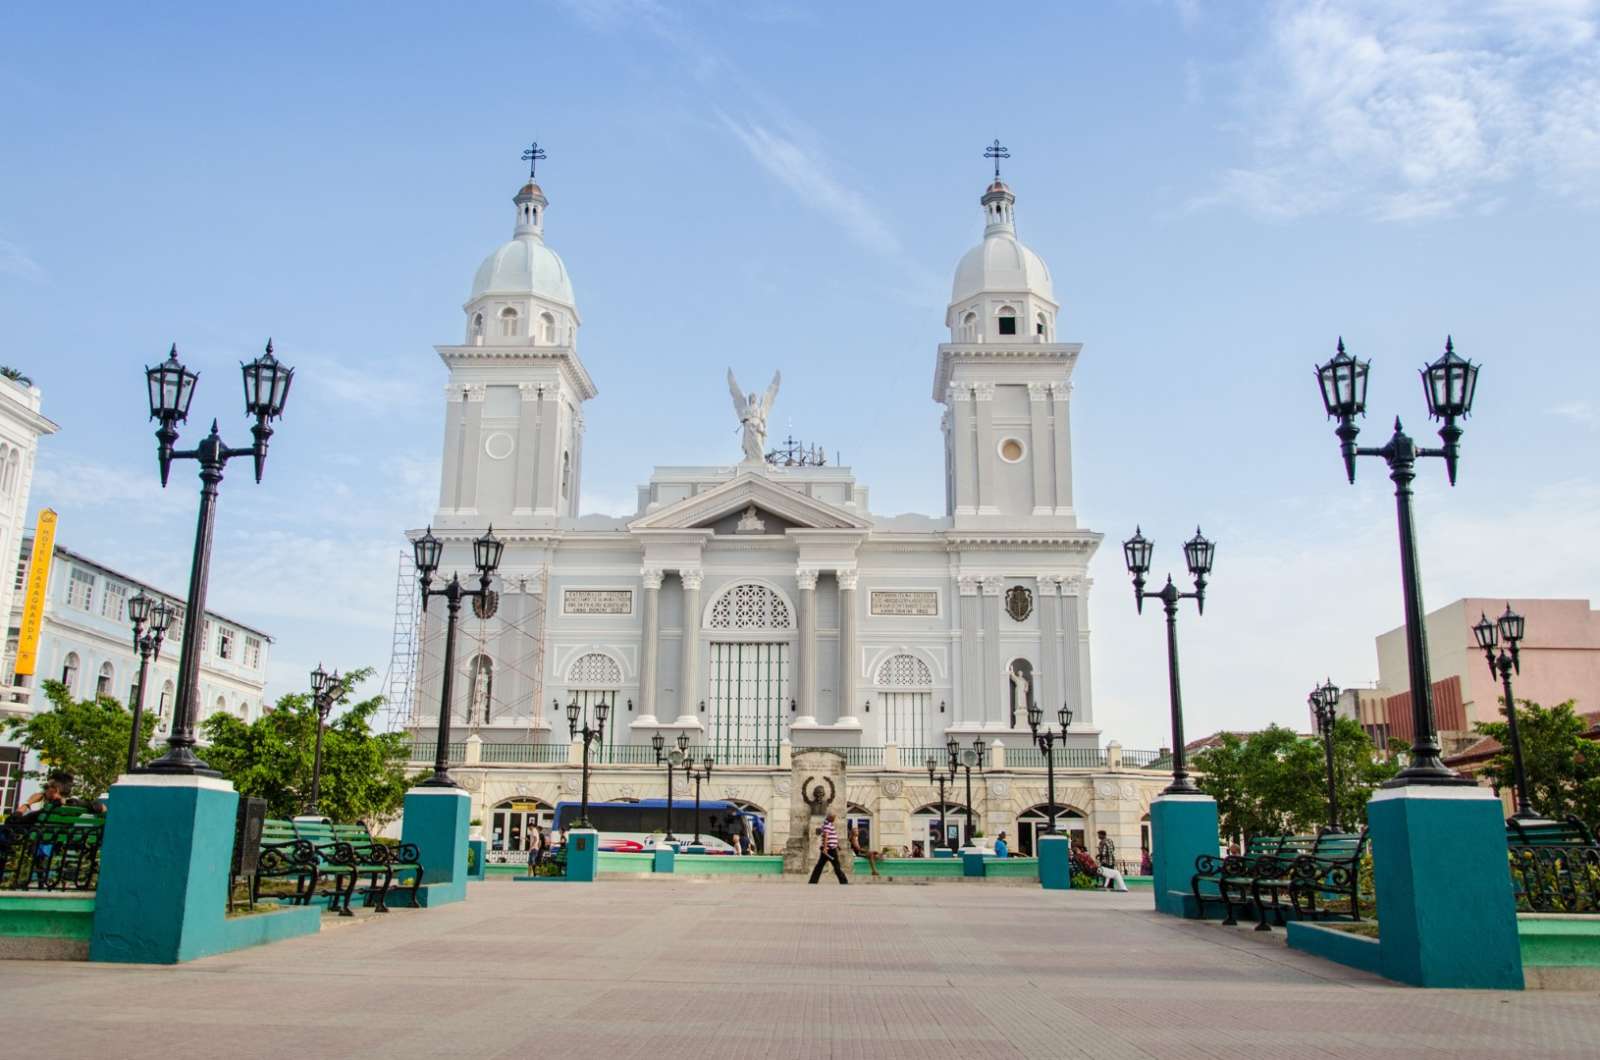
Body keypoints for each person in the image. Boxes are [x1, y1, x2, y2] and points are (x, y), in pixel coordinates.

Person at [807, 812, 848, 884]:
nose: (834, 819)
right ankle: (844, 881)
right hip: (830, 850)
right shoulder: (828, 825)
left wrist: (837, 845)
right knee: (836, 866)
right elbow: (826, 836)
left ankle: (813, 881)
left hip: (829, 849)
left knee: (819, 866)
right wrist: (825, 848)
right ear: (830, 818)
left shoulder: (828, 824)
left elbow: (833, 836)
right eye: (833, 818)